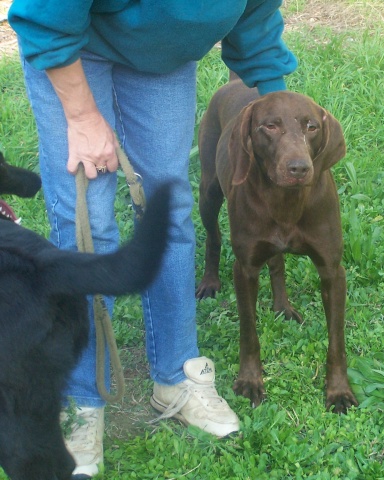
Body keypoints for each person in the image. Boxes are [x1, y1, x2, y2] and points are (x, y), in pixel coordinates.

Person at [8, 1, 297, 477]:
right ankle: (82, 398)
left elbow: (257, 28)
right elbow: (45, 16)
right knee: (89, 221)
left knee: (172, 209)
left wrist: (285, 122)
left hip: (161, 62)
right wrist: (82, 118)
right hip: (74, 48)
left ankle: (177, 375)